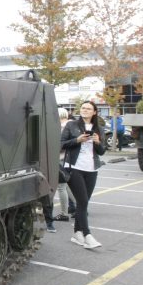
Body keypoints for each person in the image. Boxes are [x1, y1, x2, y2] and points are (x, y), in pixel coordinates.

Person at [61, 100, 106, 249]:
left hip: (92, 168)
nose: (85, 110)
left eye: (88, 108)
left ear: (94, 112)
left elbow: (102, 151)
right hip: (74, 167)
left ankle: (77, 233)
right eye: (83, 108)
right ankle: (87, 235)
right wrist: (77, 140)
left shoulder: (98, 128)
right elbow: (61, 144)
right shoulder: (71, 125)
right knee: (83, 201)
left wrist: (98, 142)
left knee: (84, 202)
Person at [52, 108, 73, 225]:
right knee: (68, 185)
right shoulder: (72, 125)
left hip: (60, 158)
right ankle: (81, 208)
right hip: (69, 159)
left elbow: (59, 144)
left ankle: (64, 213)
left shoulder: (61, 127)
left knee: (61, 186)